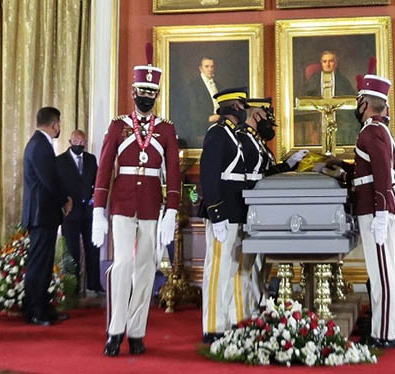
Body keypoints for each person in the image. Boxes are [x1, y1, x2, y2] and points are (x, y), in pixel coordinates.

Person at [92, 50, 181, 357]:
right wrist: (97, 210)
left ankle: (138, 331)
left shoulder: (166, 129)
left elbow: (173, 172)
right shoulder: (117, 126)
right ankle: (115, 330)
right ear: (133, 92)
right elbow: (104, 168)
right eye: (142, 92)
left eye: (151, 93)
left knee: (146, 268)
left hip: (150, 205)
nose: (146, 98)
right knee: (123, 265)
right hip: (122, 203)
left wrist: (171, 210)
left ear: (157, 95)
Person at [327, 73, 395, 348]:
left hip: (375, 210)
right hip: (376, 206)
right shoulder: (380, 130)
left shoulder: (372, 131)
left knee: (382, 274)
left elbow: (382, 175)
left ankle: (384, 334)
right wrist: (344, 167)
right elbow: (369, 171)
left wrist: (381, 215)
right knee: (383, 272)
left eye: (359, 101)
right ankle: (386, 329)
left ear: (364, 104)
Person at [236, 97, 308, 314]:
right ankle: (244, 310)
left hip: (260, 209)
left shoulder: (257, 142)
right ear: (257, 115)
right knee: (245, 265)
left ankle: (258, 302)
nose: (269, 124)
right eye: (267, 118)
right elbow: (252, 176)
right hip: (245, 207)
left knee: (259, 264)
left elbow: (265, 173)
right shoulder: (243, 138)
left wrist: (288, 165)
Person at [198, 87, 250, 344]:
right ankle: (213, 326)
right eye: (240, 106)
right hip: (223, 211)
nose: (243, 110)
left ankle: (226, 321)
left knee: (228, 269)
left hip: (234, 209)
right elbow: (209, 175)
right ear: (232, 107)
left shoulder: (231, 134)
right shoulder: (217, 134)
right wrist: (215, 211)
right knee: (217, 269)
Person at [21, 107, 73, 326]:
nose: (59, 128)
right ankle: (34, 310)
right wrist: (65, 199)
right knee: (38, 264)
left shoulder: (39, 144)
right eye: (59, 123)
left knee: (42, 263)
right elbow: (49, 180)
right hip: (41, 214)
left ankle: (43, 306)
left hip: (43, 214)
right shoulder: (40, 146)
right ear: (54, 124)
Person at [56, 129, 104, 296]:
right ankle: (72, 287)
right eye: (75, 143)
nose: (79, 145)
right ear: (70, 142)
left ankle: (94, 285)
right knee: (71, 250)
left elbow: (98, 181)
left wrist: (95, 201)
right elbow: (57, 187)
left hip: (89, 212)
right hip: (70, 213)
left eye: (82, 143)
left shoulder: (91, 159)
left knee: (93, 248)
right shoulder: (60, 161)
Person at [302, 50, 358, 145]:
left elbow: (352, 100)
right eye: (325, 61)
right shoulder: (315, 79)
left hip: (341, 119)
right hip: (319, 116)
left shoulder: (343, 80)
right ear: (321, 64)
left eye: (331, 61)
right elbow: (307, 100)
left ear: (336, 63)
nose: (327, 64)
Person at [178, 57, 222, 147]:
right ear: (200, 68)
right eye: (207, 66)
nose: (210, 69)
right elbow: (191, 111)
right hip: (201, 130)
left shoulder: (218, 85)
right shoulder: (193, 86)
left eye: (212, 66)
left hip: (218, 127)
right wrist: (209, 118)